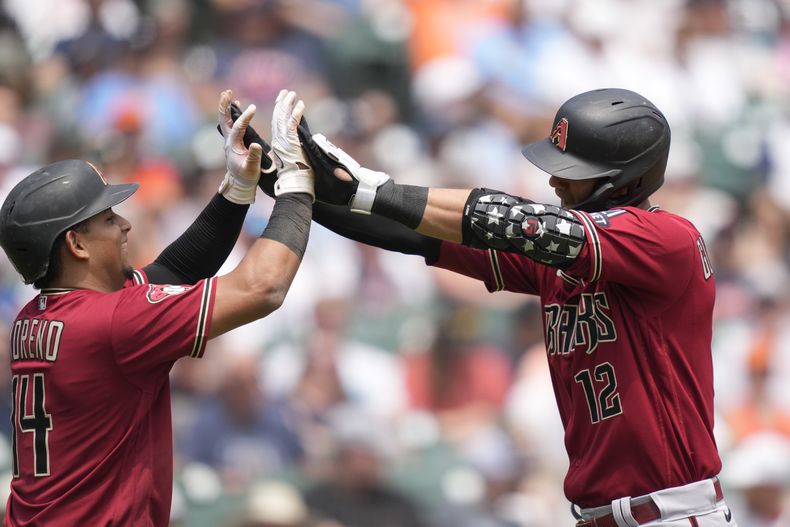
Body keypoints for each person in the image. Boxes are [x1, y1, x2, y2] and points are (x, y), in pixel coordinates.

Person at [231, 87, 734, 526]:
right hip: (599, 515)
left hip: (673, 513)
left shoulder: (668, 240)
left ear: (623, 179)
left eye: (573, 173)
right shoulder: (560, 260)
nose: (556, 183)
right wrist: (299, 190)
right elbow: (418, 236)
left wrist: (371, 186)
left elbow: (517, 220)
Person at [0, 88, 315, 526]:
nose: (125, 224)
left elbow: (174, 269)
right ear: (75, 243)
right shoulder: (112, 322)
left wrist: (239, 188)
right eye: (108, 220)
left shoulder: (33, 317)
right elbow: (263, 287)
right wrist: (298, 184)